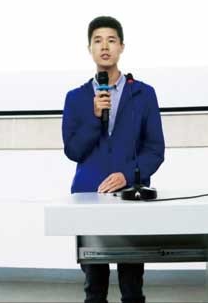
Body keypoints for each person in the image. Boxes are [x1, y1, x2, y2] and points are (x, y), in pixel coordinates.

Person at [62, 16, 165, 303]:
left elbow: (155, 150)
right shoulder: (76, 98)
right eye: (97, 41)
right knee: (94, 288)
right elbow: (73, 151)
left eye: (111, 40)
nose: (104, 47)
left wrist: (127, 175)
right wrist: (95, 118)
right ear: (89, 49)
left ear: (121, 47)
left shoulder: (143, 94)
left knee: (132, 287)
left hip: (130, 195)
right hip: (88, 196)